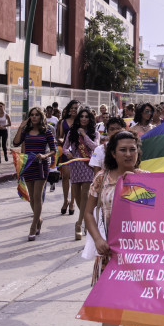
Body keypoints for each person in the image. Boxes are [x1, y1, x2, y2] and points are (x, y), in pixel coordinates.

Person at [85, 130, 148, 326]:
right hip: (109, 254)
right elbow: (88, 213)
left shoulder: (147, 180)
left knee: (130, 315)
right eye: (123, 150)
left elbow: (153, 215)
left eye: (132, 149)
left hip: (136, 255)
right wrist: (97, 240)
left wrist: (134, 185)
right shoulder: (101, 179)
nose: (128, 154)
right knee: (110, 312)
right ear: (113, 153)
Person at [12, 107, 57, 240]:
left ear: (41, 116)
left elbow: (53, 150)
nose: (34, 117)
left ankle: (33, 226)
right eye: (32, 115)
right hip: (28, 164)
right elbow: (16, 142)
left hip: (41, 165)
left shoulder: (47, 132)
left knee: (37, 196)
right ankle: (39, 220)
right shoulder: (26, 131)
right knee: (31, 197)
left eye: (37, 115)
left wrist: (44, 155)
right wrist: (21, 127)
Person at [63, 108, 100, 240]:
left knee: (85, 194)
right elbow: (65, 147)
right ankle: (85, 219)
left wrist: (84, 135)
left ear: (90, 119)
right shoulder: (71, 133)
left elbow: (95, 147)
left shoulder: (94, 133)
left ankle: (79, 223)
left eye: (86, 117)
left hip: (88, 166)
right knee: (77, 197)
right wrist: (67, 153)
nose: (84, 119)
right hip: (75, 166)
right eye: (81, 116)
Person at [57, 100, 80, 215]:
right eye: (72, 108)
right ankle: (65, 200)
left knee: (75, 178)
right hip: (66, 151)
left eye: (76, 108)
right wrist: (62, 141)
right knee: (65, 176)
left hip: (78, 151)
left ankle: (72, 202)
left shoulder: (81, 121)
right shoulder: (63, 122)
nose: (73, 110)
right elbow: (60, 136)